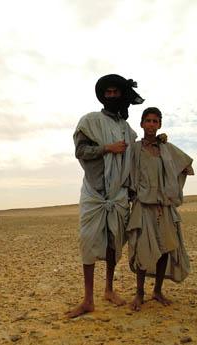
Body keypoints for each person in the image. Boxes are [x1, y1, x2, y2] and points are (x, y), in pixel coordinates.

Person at [66, 74, 144, 318]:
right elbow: (80, 151)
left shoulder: (126, 129)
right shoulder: (90, 121)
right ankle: (88, 299)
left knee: (114, 243)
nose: (111, 96)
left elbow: (136, 155)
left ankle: (109, 289)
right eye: (107, 92)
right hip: (94, 194)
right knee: (88, 242)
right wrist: (108, 149)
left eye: (115, 92)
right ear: (102, 95)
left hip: (118, 195)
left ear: (121, 95)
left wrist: (158, 141)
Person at [127, 107, 194, 311]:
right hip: (143, 207)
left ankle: (157, 290)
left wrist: (171, 175)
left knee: (165, 248)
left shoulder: (166, 149)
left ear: (160, 125)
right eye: (148, 121)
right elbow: (126, 173)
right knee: (141, 249)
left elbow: (188, 168)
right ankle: (139, 293)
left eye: (155, 121)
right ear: (141, 124)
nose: (151, 125)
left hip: (164, 207)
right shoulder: (135, 149)